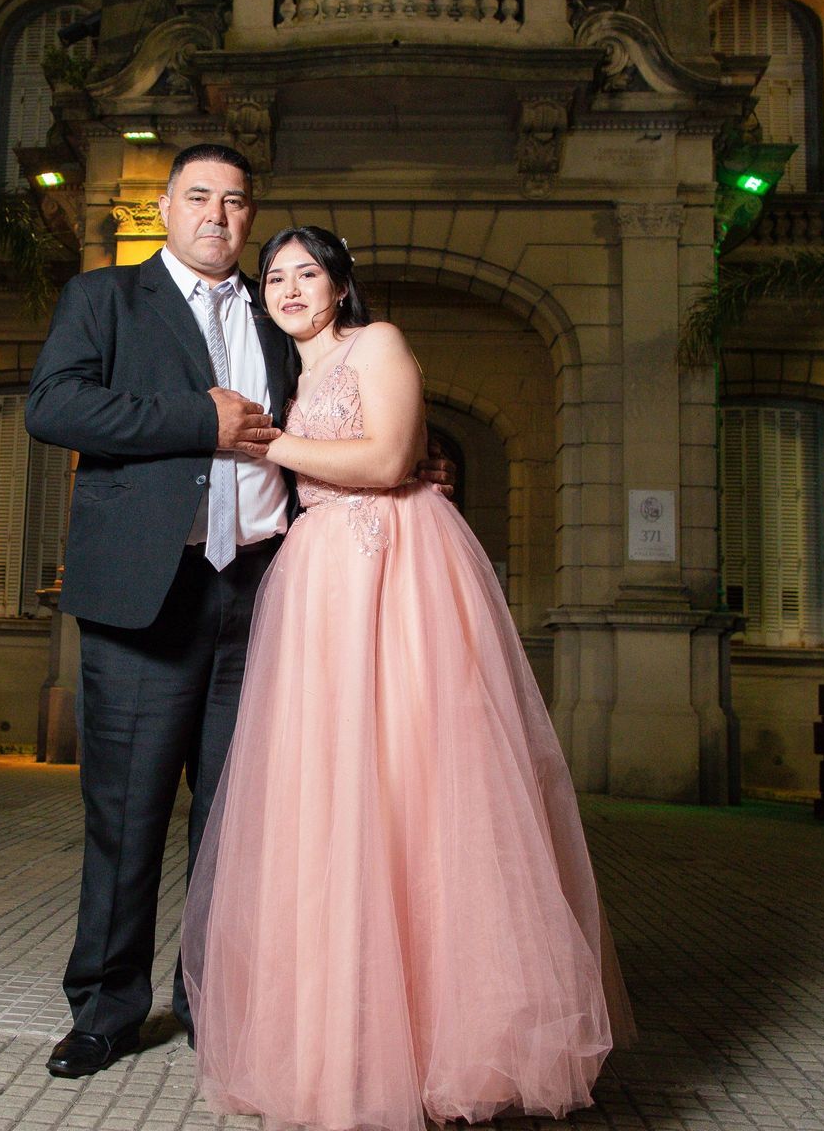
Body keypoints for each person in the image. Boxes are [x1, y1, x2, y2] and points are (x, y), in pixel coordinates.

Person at [183, 227, 633, 1131]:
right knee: (326, 807)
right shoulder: (284, 371)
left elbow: (389, 461)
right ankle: (339, 1041)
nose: (291, 288)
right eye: (276, 277)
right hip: (316, 586)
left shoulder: (375, 344)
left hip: (396, 571)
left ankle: (445, 1042)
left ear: (342, 285)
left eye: (309, 273)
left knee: (420, 787)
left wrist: (269, 448)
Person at [25, 146, 447, 1079]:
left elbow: (350, 416)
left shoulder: (278, 313)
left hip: (264, 596)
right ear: (167, 207)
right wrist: (195, 422)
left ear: (249, 219)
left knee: (241, 817)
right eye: (200, 196)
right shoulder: (106, 299)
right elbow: (52, 408)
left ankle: (217, 999)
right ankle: (106, 1007)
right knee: (127, 815)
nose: (219, 213)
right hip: (149, 593)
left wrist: (416, 462)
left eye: (237, 201)